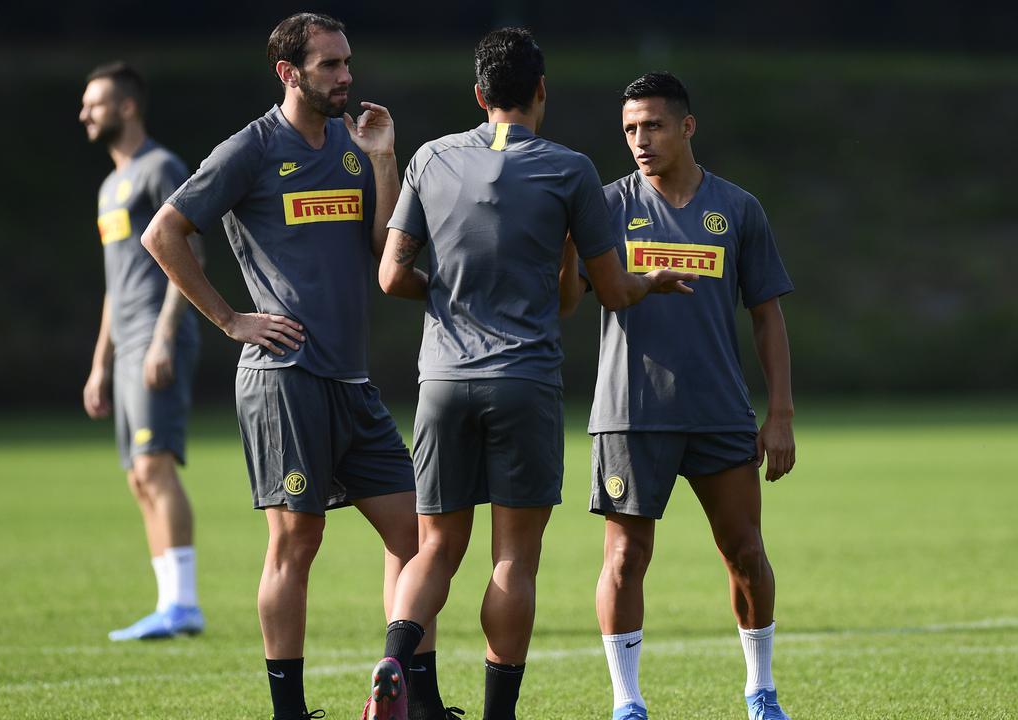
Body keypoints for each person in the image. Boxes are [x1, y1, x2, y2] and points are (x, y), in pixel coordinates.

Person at [366, 28, 696, 720]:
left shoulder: (430, 158)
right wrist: (650, 280)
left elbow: (392, 276)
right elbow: (602, 293)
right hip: (523, 380)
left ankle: (395, 654)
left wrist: (452, 289)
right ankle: (498, 715)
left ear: (479, 94)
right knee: (513, 560)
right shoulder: (570, 171)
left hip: (443, 380)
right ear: (541, 91)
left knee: (435, 548)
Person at [139, 14, 451, 720]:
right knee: (296, 541)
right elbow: (164, 232)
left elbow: (383, 251)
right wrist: (231, 319)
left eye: (348, 63)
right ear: (290, 72)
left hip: (352, 380)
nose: (346, 76)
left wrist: (380, 157)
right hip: (283, 378)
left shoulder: (351, 142)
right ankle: (289, 712)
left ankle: (412, 693)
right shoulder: (250, 149)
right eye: (330, 65)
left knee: (417, 533)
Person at [580, 72, 798, 720]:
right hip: (629, 412)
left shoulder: (736, 209)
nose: (639, 141)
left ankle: (761, 691)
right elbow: (567, 293)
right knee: (624, 558)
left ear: (687, 127)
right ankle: (628, 703)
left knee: (747, 552)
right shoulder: (604, 207)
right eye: (628, 129)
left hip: (718, 412)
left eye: (652, 126)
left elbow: (767, 315)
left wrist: (780, 413)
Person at [79, 61, 205, 642]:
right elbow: (114, 280)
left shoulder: (161, 168)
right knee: (137, 476)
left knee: (155, 465)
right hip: (124, 342)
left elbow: (191, 258)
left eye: (96, 103)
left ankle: (184, 605)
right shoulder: (109, 186)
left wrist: (162, 337)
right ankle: (168, 605)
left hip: (158, 336)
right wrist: (100, 361)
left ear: (127, 107)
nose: (85, 113)